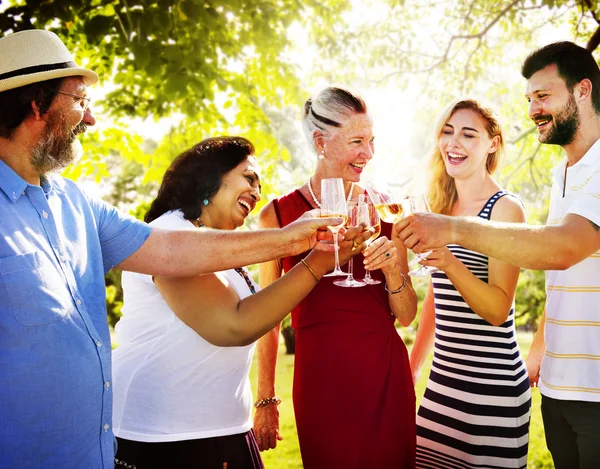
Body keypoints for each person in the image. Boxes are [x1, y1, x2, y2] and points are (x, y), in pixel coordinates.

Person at [0, 29, 344, 469]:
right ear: (37, 104)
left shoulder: (74, 201)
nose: (90, 119)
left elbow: (169, 249)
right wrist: (306, 249)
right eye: (80, 100)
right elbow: (223, 313)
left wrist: (296, 237)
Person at [396, 42, 600, 469]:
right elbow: (562, 277)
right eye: (529, 99)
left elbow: (562, 248)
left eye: (543, 96)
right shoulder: (563, 173)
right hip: (555, 388)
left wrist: (449, 239)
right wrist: (542, 347)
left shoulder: (509, 206)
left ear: (583, 90)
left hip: (575, 392)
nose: (532, 109)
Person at [112, 136, 372, 469]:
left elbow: (254, 311)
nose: (257, 191)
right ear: (209, 177)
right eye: (249, 178)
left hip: (226, 428)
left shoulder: (218, 247)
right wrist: (315, 260)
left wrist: (321, 257)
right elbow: (233, 325)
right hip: (165, 437)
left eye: (260, 185)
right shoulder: (169, 234)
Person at [254, 85, 418, 468]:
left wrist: (393, 267)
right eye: (357, 141)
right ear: (320, 142)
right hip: (320, 380)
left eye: (372, 140)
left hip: (384, 375)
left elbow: (407, 315)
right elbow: (267, 320)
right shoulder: (278, 216)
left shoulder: (387, 210)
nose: (369, 153)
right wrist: (265, 398)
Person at [408, 98, 531, 468]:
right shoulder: (440, 207)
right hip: (444, 384)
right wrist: (413, 368)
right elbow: (436, 294)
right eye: (447, 132)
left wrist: (448, 261)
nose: (453, 143)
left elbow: (497, 310)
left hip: (492, 388)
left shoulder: (506, 209)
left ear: (492, 143)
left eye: (468, 134)